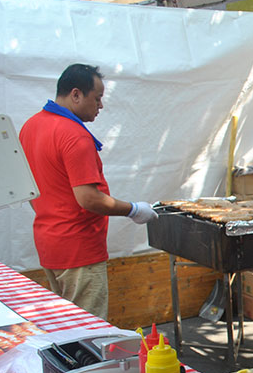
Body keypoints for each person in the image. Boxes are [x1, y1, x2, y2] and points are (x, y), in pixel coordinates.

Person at [19, 64, 157, 320]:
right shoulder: (73, 135)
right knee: (87, 330)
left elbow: (31, 189)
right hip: (78, 249)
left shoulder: (31, 126)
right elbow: (89, 199)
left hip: (49, 242)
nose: (101, 106)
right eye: (97, 98)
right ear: (75, 94)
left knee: (65, 325)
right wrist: (134, 209)